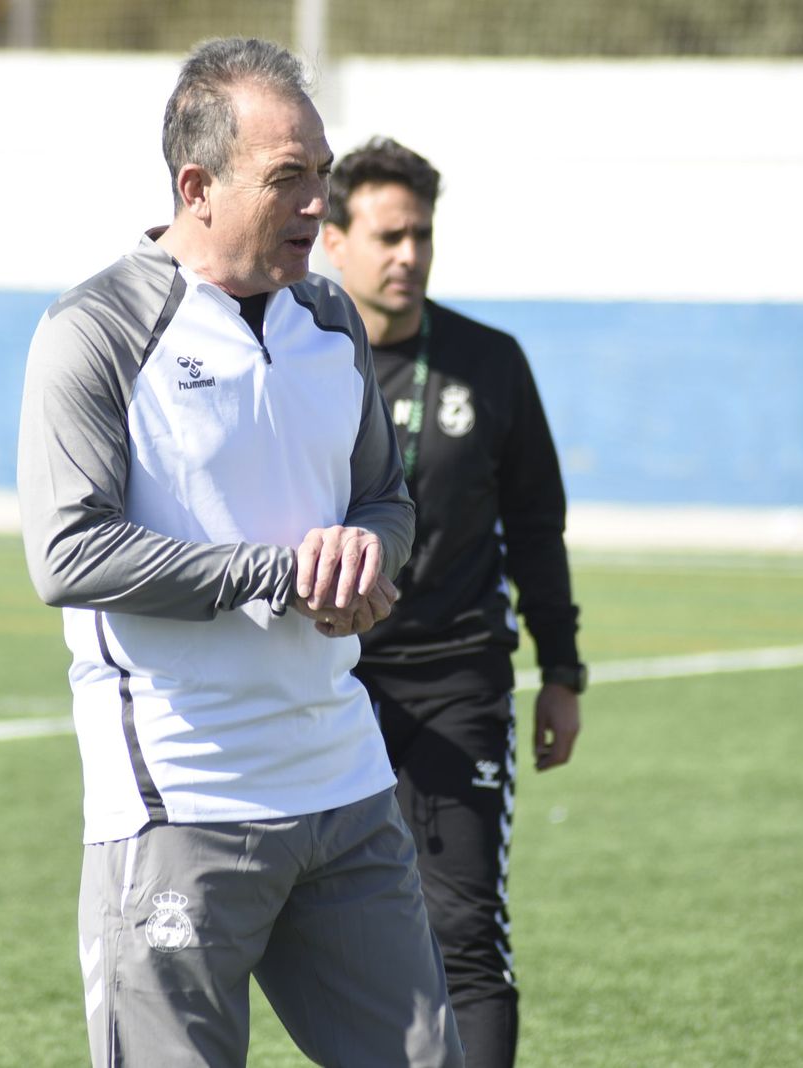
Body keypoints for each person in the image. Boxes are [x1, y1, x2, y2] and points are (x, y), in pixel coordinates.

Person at [16, 40, 465, 1068]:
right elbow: (67, 553)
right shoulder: (92, 332)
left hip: (344, 787)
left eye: (323, 173)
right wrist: (277, 575)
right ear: (197, 186)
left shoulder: (329, 319)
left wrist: (363, 557)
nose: (321, 203)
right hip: (180, 799)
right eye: (290, 178)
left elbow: (382, 497)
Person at [322, 137, 588, 1068]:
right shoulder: (297, 359)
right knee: (321, 940)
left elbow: (537, 526)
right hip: (324, 687)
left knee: (464, 933)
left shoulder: (491, 363)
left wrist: (561, 671)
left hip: (458, 686)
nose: (409, 255)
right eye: (389, 235)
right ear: (333, 238)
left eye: (421, 235)